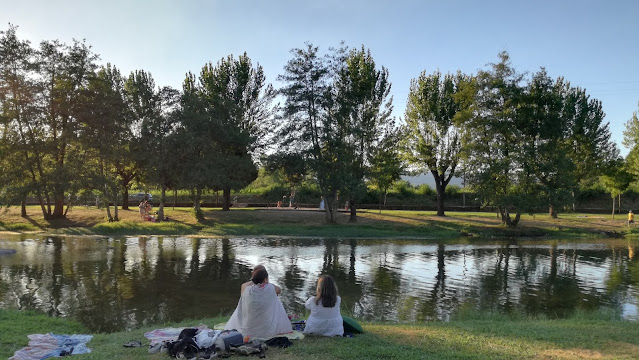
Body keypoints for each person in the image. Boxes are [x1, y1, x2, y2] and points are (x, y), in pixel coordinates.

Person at [224, 265, 292, 339]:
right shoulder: (270, 288)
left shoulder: (245, 288)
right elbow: (279, 290)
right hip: (268, 330)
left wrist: (255, 279)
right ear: (265, 279)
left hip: (247, 330)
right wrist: (266, 281)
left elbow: (247, 284)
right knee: (275, 299)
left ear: (253, 276)